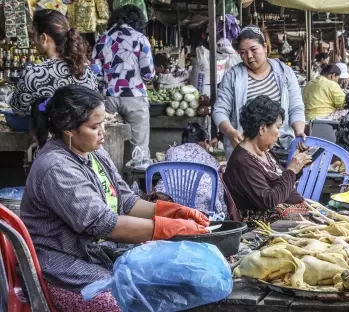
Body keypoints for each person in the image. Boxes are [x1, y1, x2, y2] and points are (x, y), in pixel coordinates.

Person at [22, 85, 209, 311]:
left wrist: (171, 211)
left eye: (103, 123)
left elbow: (125, 201)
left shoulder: (95, 153)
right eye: (94, 126)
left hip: (94, 255)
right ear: (69, 130)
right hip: (60, 267)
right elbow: (104, 224)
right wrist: (167, 228)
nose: (103, 131)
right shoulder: (55, 167)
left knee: (167, 281)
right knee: (117, 302)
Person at [213, 25, 306, 160]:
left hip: (281, 148)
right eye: (243, 52)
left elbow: (296, 107)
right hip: (246, 149)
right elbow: (219, 110)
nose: (249, 56)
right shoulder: (233, 76)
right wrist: (231, 132)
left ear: (265, 47)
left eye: (253, 50)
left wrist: (299, 132)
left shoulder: (285, 72)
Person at [224, 95, 311, 222]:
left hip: (288, 213)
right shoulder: (242, 162)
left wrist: (298, 167)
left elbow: (280, 182)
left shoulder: (264, 151)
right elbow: (269, 201)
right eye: (278, 127)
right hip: (261, 222)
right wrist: (291, 171)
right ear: (262, 128)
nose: (279, 134)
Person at [92, 5, 155, 156]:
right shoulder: (140, 39)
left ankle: (111, 175)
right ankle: (137, 177)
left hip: (109, 98)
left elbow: (95, 73)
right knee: (139, 146)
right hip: (135, 96)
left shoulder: (102, 39)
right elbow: (148, 74)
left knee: (108, 143)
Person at [9, 9, 97, 113]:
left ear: (43, 38)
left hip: (45, 129)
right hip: (78, 129)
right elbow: (94, 106)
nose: (33, 40)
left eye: (34, 35)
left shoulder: (33, 74)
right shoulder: (87, 71)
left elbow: (18, 109)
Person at [155, 123, 227, 218]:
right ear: (205, 141)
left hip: (168, 204)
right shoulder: (211, 159)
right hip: (202, 210)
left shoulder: (172, 151)